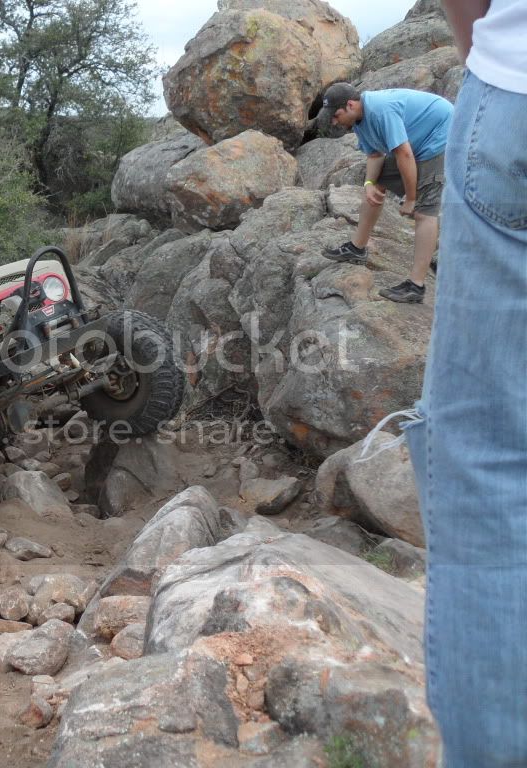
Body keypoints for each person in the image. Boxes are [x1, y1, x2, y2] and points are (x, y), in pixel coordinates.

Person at [408, 0, 527, 763]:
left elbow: (397, 172)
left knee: (487, 464)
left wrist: (477, 40)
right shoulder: (371, 115)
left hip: (515, 92)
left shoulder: (380, 115)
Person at [317, 82, 453, 303]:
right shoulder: (359, 121)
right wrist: (369, 183)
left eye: (336, 115)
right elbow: (375, 155)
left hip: (440, 135)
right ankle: (357, 248)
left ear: (350, 105)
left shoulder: (380, 110)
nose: (334, 121)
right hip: (415, 142)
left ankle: (415, 287)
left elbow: (404, 154)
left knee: (424, 212)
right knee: (377, 183)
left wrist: (410, 198)